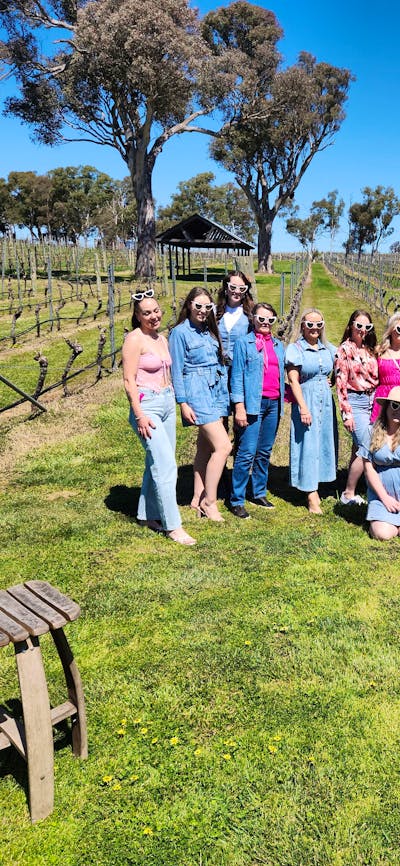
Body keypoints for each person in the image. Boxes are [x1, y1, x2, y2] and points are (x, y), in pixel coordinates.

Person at [122, 288, 196, 545]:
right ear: (137, 315)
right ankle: (173, 525)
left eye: (156, 311)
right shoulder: (134, 339)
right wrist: (139, 415)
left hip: (165, 403)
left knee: (156, 461)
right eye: (146, 313)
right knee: (165, 466)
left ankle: (146, 514)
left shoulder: (161, 338)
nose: (153, 316)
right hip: (147, 406)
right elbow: (129, 380)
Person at [169, 287, 232, 522]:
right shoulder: (179, 333)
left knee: (205, 449)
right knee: (223, 447)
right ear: (189, 305)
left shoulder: (208, 331)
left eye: (208, 307)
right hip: (196, 393)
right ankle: (210, 502)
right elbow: (177, 371)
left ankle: (197, 497)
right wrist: (183, 403)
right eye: (198, 306)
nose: (203, 311)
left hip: (215, 391)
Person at [229, 303, 285, 518]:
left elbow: (283, 373)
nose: (265, 323)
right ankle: (237, 499)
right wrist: (239, 406)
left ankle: (259, 492)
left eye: (270, 320)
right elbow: (237, 376)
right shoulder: (244, 344)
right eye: (261, 319)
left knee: (264, 451)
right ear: (253, 319)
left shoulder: (279, 345)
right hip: (253, 404)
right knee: (246, 453)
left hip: (273, 403)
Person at [285, 308, 337, 514]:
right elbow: (293, 380)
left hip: (325, 400)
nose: (314, 328)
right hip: (306, 399)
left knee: (323, 440)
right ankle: (310, 492)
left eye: (318, 324)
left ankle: (321, 479)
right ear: (303, 326)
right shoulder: (296, 349)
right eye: (310, 324)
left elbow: (340, 364)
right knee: (307, 442)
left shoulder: (327, 348)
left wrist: (332, 380)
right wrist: (303, 408)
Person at [334, 310, 378, 505]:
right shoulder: (344, 350)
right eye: (358, 325)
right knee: (366, 447)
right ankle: (349, 493)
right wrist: (346, 414)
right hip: (356, 401)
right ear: (351, 325)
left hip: (374, 401)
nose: (362, 330)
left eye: (366, 327)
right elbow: (341, 384)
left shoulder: (371, 349)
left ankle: (353, 488)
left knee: (359, 447)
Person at [358, 386, 400, 539]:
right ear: (387, 407)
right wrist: (385, 498)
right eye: (395, 405)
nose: (398, 410)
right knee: (382, 534)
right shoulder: (371, 432)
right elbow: (369, 470)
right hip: (381, 495)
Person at [215, 271, 254, 371]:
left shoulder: (250, 316)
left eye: (242, 288)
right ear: (226, 288)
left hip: (240, 369)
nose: (237, 291)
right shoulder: (214, 312)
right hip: (216, 368)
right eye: (233, 287)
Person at [371, 311, 400, 422]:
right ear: (391, 330)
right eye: (399, 329)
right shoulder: (380, 351)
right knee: (380, 434)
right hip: (384, 398)